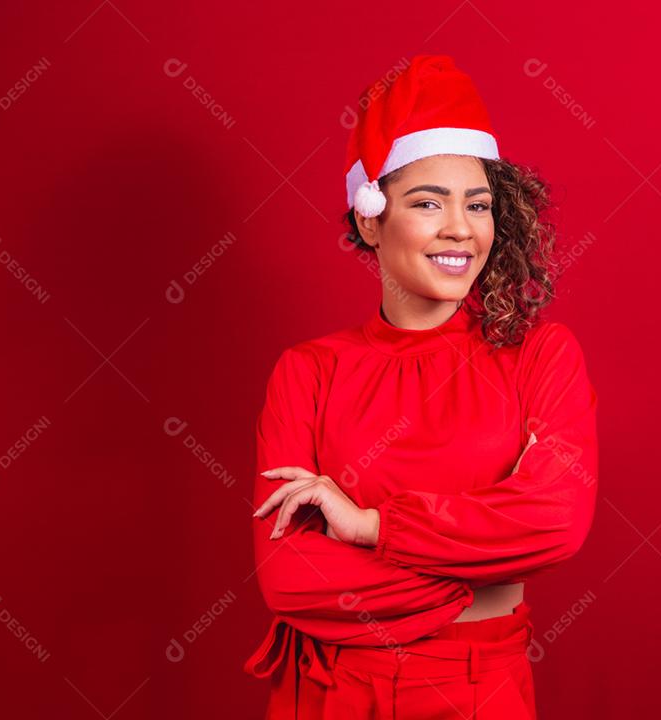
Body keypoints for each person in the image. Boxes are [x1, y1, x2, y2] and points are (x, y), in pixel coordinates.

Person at [244, 54, 599, 719]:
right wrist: (478, 570)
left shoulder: (540, 357)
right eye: (427, 202)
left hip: (475, 691)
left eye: (479, 205)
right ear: (371, 218)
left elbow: (556, 522)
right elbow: (289, 578)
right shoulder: (308, 369)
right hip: (329, 695)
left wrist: (367, 526)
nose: (460, 228)